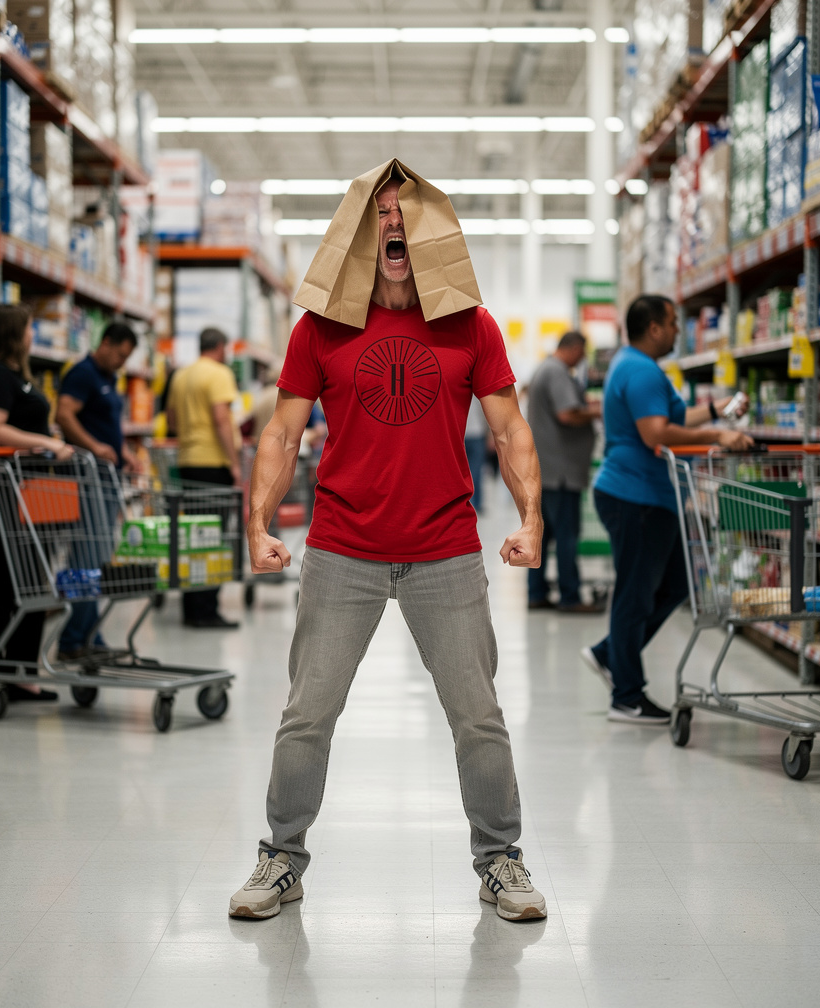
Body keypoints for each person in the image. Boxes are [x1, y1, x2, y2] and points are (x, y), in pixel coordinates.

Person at [229, 161, 547, 923]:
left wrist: (532, 517)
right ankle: (282, 859)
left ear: (433, 230)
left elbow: (509, 429)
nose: (394, 223)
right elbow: (280, 430)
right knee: (309, 711)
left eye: (407, 212)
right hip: (343, 548)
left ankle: (500, 861)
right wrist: (258, 522)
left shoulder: (472, 324)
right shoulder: (320, 326)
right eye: (380, 213)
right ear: (359, 232)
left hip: (445, 549)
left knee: (478, 713)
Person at [582, 294, 753, 724]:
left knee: (676, 583)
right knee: (634, 595)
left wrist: (717, 410)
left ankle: (610, 654)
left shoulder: (640, 367)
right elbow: (656, 432)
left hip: (649, 495)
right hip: (635, 495)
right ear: (654, 327)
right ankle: (626, 695)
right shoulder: (639, 371)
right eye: (674, 322)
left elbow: (675, 416)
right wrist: (721, 436)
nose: (679, 329)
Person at [0, 303, 74, 703]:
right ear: (13, 333)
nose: (32, 336)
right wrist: (46, 442)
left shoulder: (18, 377)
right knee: (6, 580)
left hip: (28, 488)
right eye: (28, 328)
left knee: (31, 576)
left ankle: (22, 673)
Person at [54, 322, 140, 659]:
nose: (122, 362)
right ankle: (76, 638)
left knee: (98, 556)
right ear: (105, 343)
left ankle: (87, 634)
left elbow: (110, 425)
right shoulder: (82, 373)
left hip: (106, 478)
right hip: (85, 479)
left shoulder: (109, 378)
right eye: (120, 354)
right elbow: (64, 415)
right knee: (89, 557)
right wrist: (94, 447)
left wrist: (124, 453)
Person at [165, 326, 242, 629]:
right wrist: (234, 464)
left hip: (187, 462)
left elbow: (170, 419)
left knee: (193, 537)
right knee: (213, 539)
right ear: (221, 347)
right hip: (213, 464)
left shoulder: (181, 375)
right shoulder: (219, 373)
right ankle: (206, 611)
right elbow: (222, 419)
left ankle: (192, 607)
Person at [526, 330, 603, 613]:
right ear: (572, 348)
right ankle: (570, 597)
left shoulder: (545, 369)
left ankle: (537, 593)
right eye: (582, 352)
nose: (582, 359)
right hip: (560, 473)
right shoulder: (557, 372)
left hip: (546, 469)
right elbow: (567, 414)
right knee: (567, 535)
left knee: (543, 536)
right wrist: (598, 410)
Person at [464, 396, 490, 513]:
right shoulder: (477, 392)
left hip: (467, 434)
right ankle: (474, 503)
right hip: (475, 434)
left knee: (472, 472)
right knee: (475, 471)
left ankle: (472, 503)